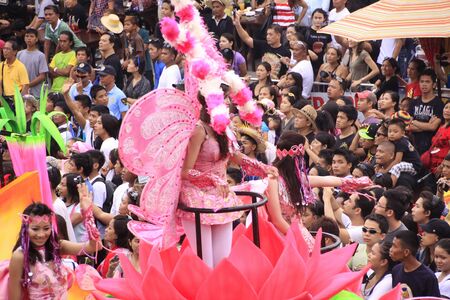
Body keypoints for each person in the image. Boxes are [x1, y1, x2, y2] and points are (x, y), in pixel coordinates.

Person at [177, 94, 278, 268]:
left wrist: (263, 168)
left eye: (225, 102)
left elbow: (236, 156)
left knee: (222, 261)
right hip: (196, 197)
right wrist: (211, 178)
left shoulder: (225, 128)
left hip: (221, 196)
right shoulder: (198, 129)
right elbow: (185, 171)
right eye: (221, 102)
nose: (226, 105)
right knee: (205, 263)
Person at [265, 131, 371, 237]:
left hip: (295, 231)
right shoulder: (273, 179)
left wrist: (354, 182)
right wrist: (298, 239)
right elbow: (277, 219)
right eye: (301, 158)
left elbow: (325, 180)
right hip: (280, 235)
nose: (302, 161)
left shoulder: (295, 177)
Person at [7, 185, 101, 299]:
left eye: (46, 228)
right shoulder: (20, 256)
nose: (41, 234)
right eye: (35, 229)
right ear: (25, 228)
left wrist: (87, 213)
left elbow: (95, 246)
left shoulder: (58, 246)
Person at [390, 230, 441, 298]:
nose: (391, 249)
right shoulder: (396, 270)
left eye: (394, 246)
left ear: (406, 252)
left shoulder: (428, 277)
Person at [409, 69, 446, 155]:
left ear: (434, 85)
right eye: (422, 81)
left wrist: (414, 122)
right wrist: (426, 125)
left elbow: (433, 127)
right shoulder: (414, 102)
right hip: (413, 145)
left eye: (427, 82)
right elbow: (408, 125)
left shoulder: (439, 104)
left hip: (430, 147)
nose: (424, 84)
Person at [17, 29, 48, 99]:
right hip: (21, 91)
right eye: (27, 36)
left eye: (32, 36)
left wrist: (28, 85)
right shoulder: (19, 54)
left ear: (36, 39)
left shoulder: (41, 55)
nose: (29, 38)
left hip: (36, 92)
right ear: (24, 38)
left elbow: (42, 76)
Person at [300, 8, 332, 76]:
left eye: (320, 18)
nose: (317, 20)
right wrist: (309, 51)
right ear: (312, 18)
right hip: (308, 62)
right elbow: (300, 46)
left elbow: (328, 48)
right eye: (315, 18)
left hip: (321, 63)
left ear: (324, 19)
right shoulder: (306, 31)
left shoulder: (327, 32)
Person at [422, 101, 450, 174]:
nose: (447, 110)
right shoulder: (441, 126)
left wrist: (443, 165)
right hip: (432, 164)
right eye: (446, 107)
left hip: (443, 167)